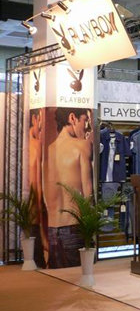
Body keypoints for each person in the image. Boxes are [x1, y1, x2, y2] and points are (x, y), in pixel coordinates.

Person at [43, 107, 93, 268]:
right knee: (78, 275)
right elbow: (88, 192)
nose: (87, 127)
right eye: (85, 120)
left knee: (58, 278)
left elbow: (45, 195)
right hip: (74, 226)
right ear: (72, 118)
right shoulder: (82, 146)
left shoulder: (49, 150)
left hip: (52, 228)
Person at [28, 109, 47, 267]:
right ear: (34, 119)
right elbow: (38, 190)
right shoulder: (35, 146)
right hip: (35, 217)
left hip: (33, 217)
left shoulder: (32, 144)